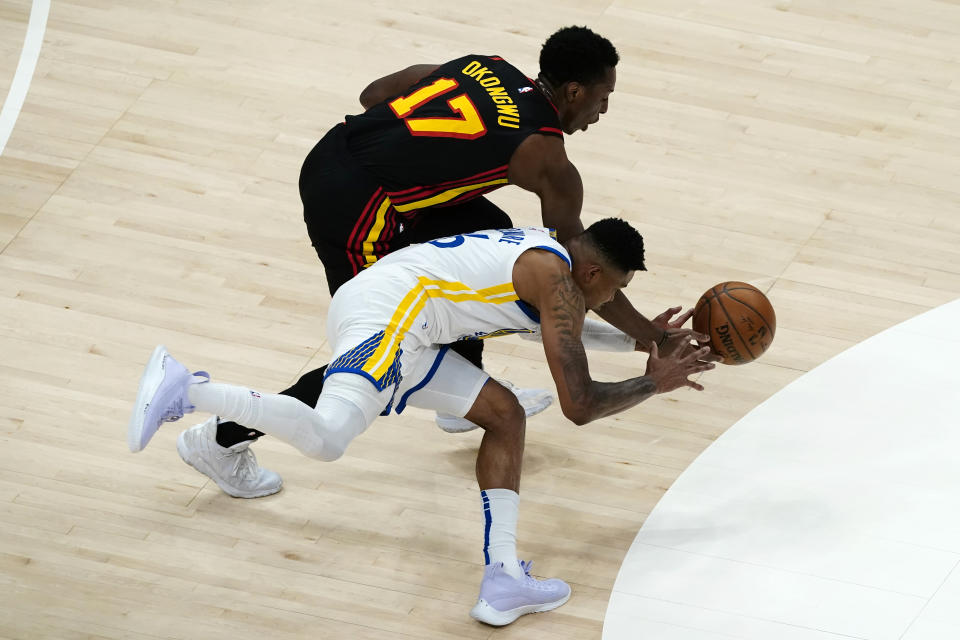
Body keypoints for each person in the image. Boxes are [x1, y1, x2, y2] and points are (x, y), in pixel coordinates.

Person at [202, 25, 714, 498]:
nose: (602, 112)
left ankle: (460, 396)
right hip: (361, 207)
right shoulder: (548, 160)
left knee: (487, 234)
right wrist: (652, 335)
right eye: (603, 99)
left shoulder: (484, 66)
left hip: (334, 151)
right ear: (574, 93)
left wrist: (424, 159)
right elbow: (581, 270)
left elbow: (374, 95)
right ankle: (222, 438)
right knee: (380, 347)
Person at [128, 219, 714, 626]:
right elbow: (578, 404)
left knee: (504, 414)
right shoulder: (556, 282)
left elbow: (557, 330)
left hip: (410, 322)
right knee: (329, 438)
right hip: (393, 318)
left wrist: (648, 340)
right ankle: (190, 390)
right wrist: (653, 382)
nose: (617, 297)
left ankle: (504, 579)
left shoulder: (547, 259)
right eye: (618, 288)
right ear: (591, 276)